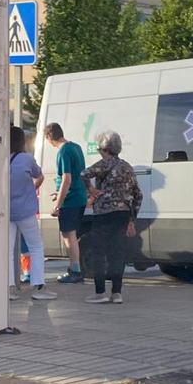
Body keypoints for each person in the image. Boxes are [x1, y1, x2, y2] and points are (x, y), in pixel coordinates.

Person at [79, 130, 142, 304]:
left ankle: (100, 292)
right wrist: (132, 219)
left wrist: (90, 190)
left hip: (104, 214)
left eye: (100, 148)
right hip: (122, 215)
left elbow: (83, 174)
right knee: (117, 253)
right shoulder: (127, 167)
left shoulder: (104, 164)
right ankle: (117, 293)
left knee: (99, 252)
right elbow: (138, 195)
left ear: (105, 149)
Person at [8, 126, 56, 301]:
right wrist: (33, 186)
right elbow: (39, 175)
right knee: (35, 246)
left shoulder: (0, 159)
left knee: (8, 249)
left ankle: (10, 288)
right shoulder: (27, 159)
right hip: (26, 211)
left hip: (7, 212)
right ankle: (39, 286)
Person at [44, 122, 87, 284]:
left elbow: (66, 178)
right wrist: (60, 192)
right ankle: (75, 269)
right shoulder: (76, 147)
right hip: (79, 196)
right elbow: (78, 176)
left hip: (70, 201)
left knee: (69, 235)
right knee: (73, 235)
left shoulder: (62, 151)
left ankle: (75, 270)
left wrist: (58, 204)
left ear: (49, 136)